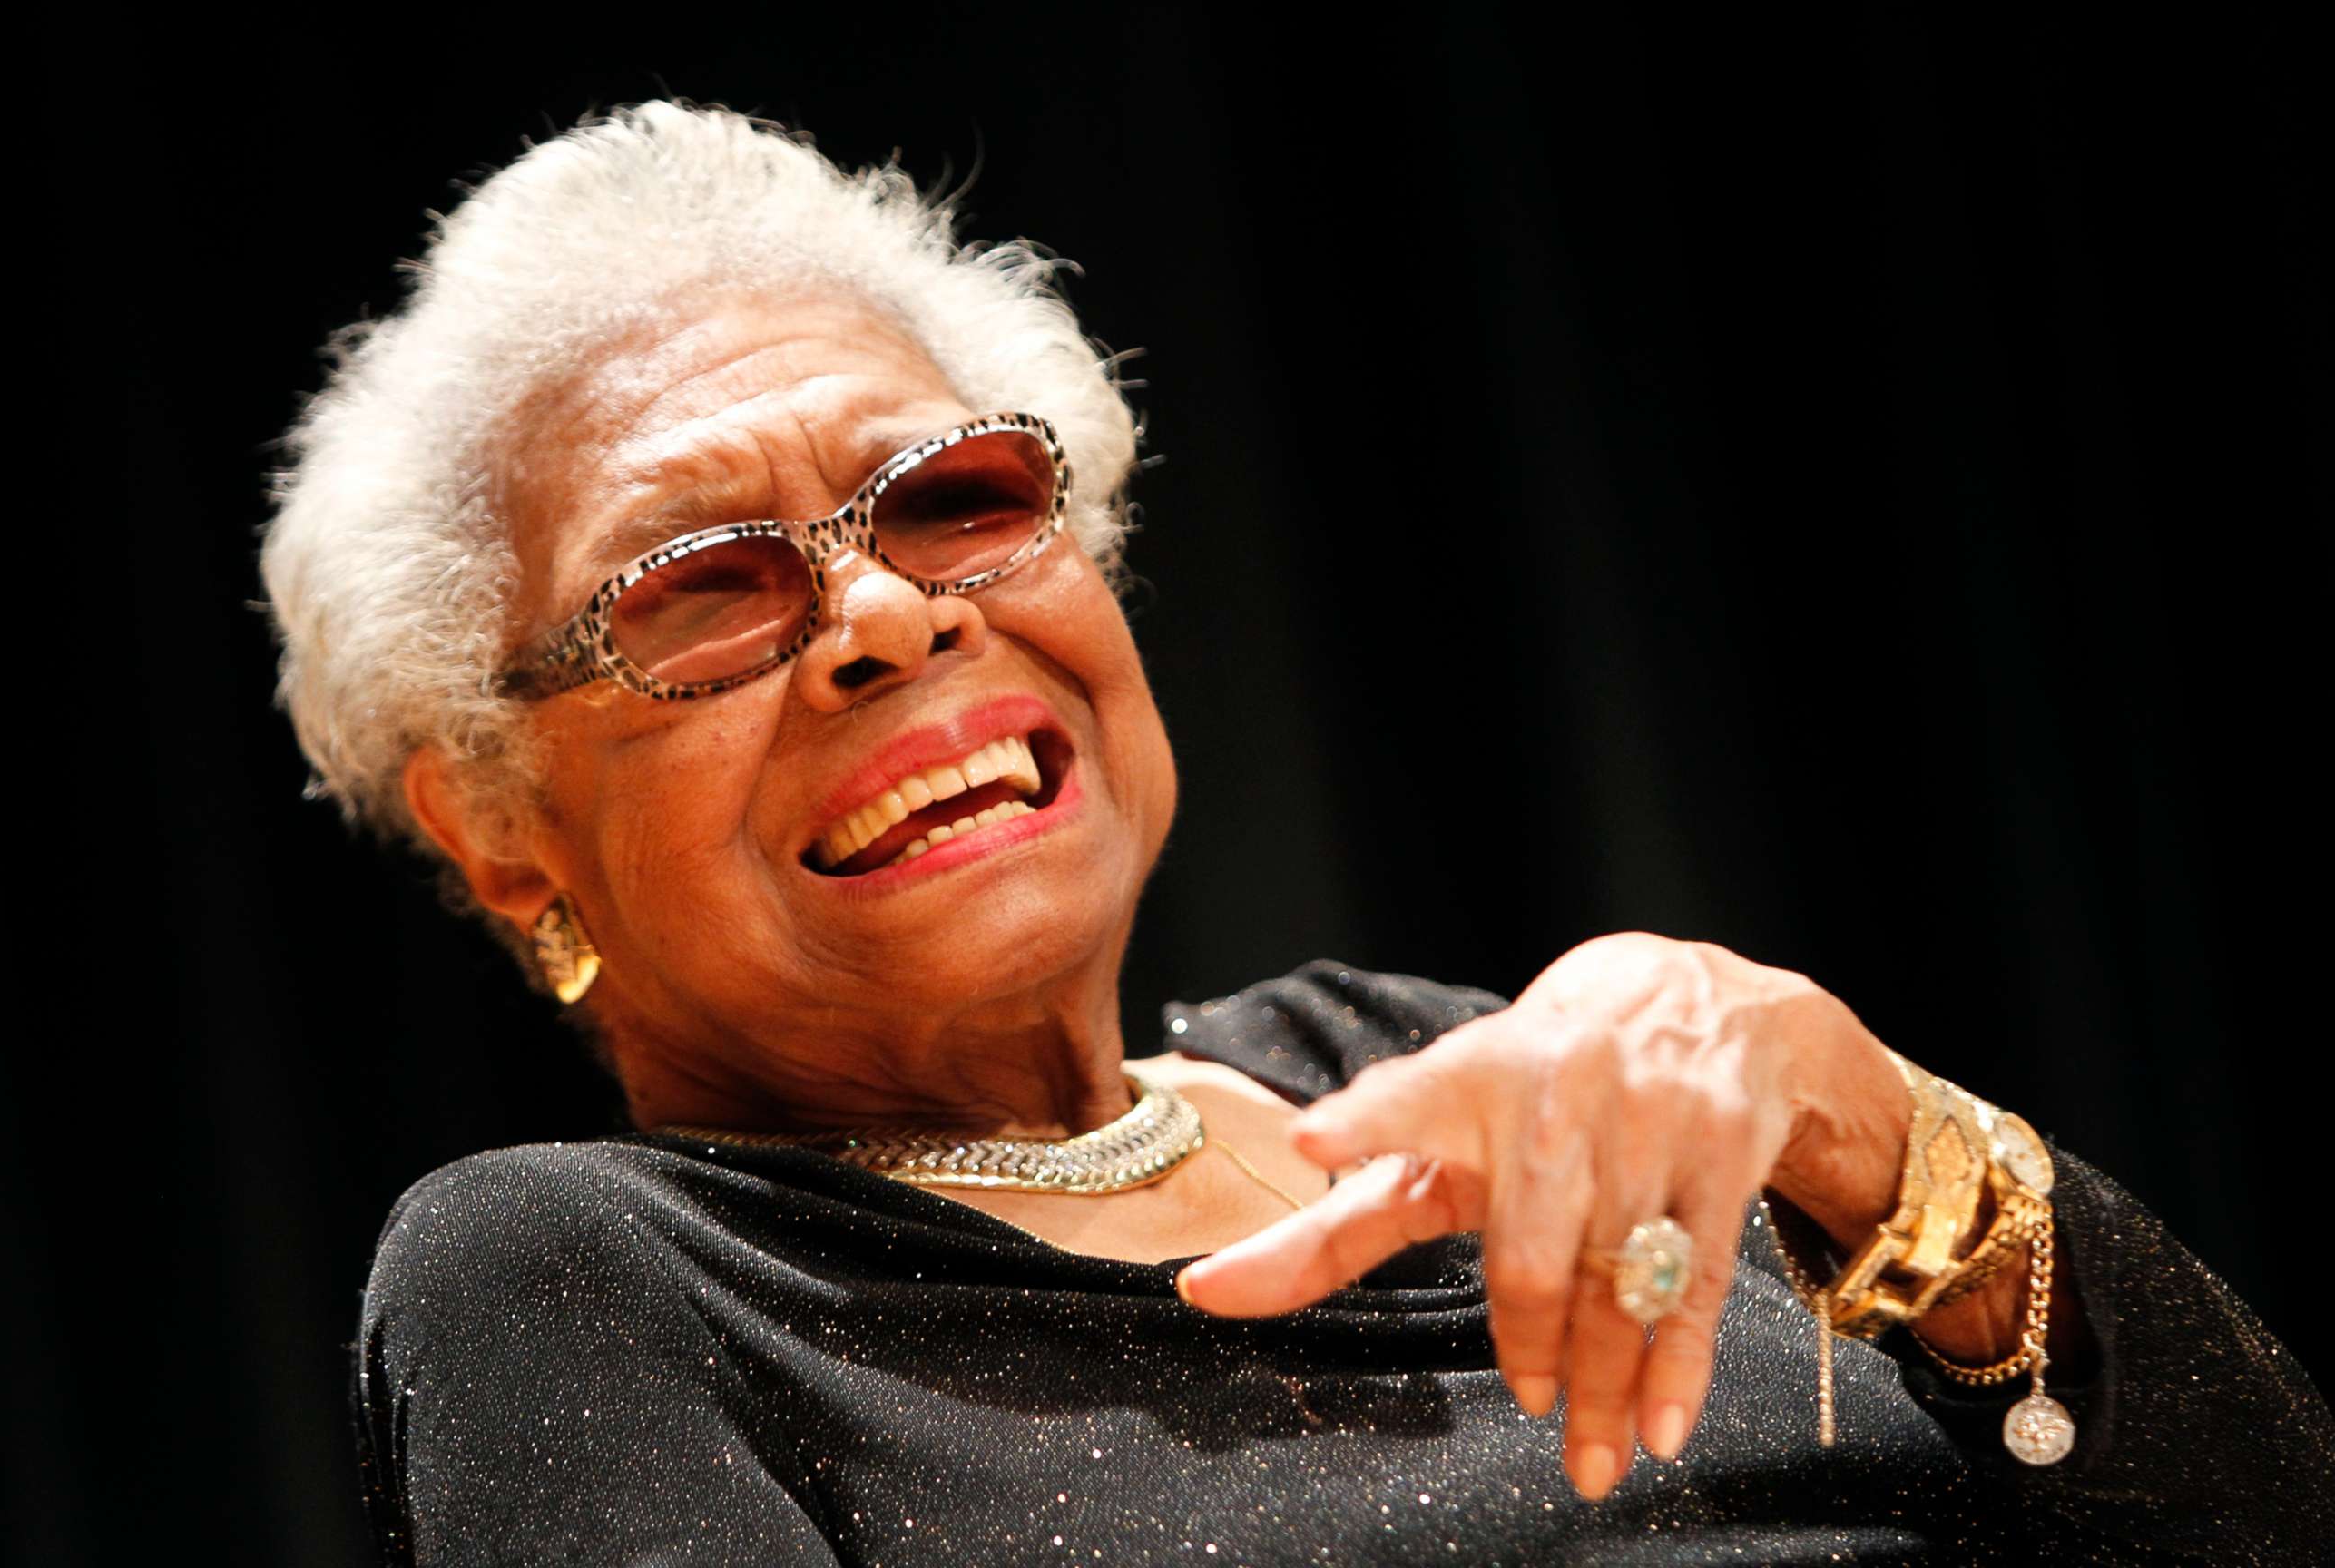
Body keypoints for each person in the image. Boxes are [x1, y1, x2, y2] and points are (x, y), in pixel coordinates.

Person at [263, 102, 2331, 1564]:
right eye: (702, 591)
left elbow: (2256, 1517)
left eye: (962, 496)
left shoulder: (1423, 1056)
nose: (888, 616)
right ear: (502, 827)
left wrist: (1877, 1137)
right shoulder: (580, 1284)